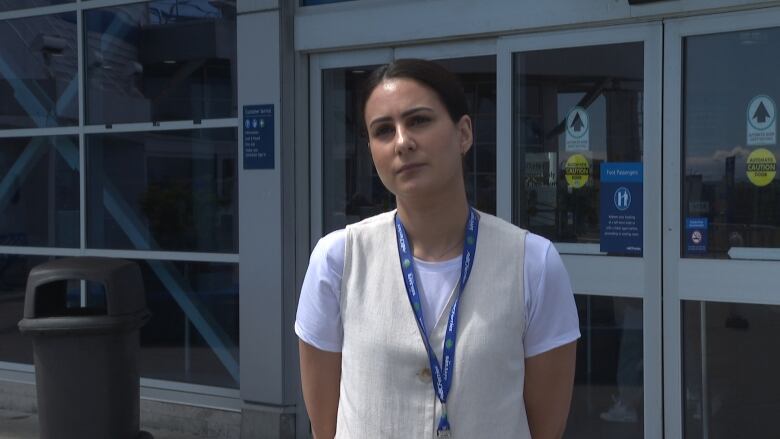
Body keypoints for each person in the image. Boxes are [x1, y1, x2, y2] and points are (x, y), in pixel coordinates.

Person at [296, 58, 580, 439]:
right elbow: (324, 427)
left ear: (464, 133)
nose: (402, 142)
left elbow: (545, 428)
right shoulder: (338, 261)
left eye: (419, 121)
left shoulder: (532, 263)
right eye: (383, 130)